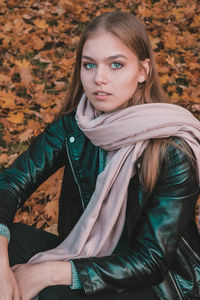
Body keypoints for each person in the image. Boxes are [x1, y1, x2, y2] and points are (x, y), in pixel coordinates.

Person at [0, 11, 200, 300]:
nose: (99, 79)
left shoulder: (173, 149)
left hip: (156, 282)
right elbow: (11, 183)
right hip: (85, 251)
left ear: (143, 71)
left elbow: (151, 261)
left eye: (116, 65)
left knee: (51, 293)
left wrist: (49, 272)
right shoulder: (76, 126)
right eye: (89, 65)